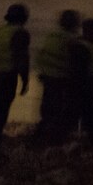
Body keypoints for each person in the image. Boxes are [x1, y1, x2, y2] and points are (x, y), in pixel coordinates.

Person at [0, 3, 30, 143]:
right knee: (2, 108)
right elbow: (21, 57)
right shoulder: (20, 33)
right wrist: (25, 80)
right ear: (23, 18)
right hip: (7, 74)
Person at [35, 9, 81, 138]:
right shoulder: (72, 40)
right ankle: (55, 136)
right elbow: (75, 63)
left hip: (48, 77)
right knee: (60, 109)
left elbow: (42, 55)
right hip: (61, 78)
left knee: (48, 108)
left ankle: (43, 133)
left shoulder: (52, 36)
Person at [68, 17, 93, 141]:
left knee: (83, 114)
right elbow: (81, 71)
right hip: (84, 88)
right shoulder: (82, 47)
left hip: (82, 87)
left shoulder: (82, 45)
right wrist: (91, 85)